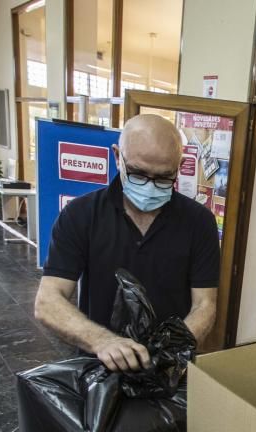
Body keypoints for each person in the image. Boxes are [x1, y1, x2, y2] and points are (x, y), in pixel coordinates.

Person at [35, 114, 220, 371]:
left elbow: (205, 304)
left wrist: (170, 349)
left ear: (179, 166)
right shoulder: (81, 215)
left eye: (164, 177)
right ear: (116, 157)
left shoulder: (199, 222)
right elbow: (48, 301)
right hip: (98, 366)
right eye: (138, 173)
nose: (150, 186)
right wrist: (102, 341)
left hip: (170, 369)